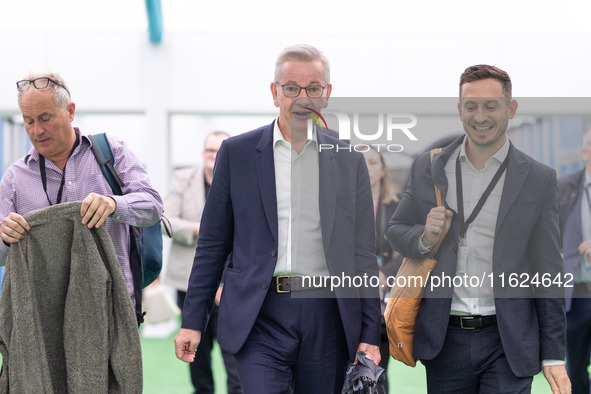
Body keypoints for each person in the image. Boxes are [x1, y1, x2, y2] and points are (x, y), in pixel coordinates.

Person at [174, 44, 381, 393]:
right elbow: (212, 243)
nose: (302, 98)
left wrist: (370, 334)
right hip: (260, 315)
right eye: (291, 88)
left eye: (313, 88)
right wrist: (193, 321)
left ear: (326, 95)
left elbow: (363, 254)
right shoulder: (236, 154)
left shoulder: (348, 159)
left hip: (327, 315)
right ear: (275, 93)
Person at [386, 64, 571, 393]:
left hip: (508, 339)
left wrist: (554, 353)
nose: (480, 115)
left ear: (510, 109)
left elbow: (548, 269)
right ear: (460, 110)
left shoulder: (538, 179)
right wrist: (425, 238)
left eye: (491, 106)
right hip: (445, 338)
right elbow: (396, 230)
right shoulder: (429, 166)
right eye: (471, 106)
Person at [0, 72, 163, 308]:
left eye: (45, 118)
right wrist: (5, 237)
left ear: (70, 111)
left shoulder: (112, 152)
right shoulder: (15, 177)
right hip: (45, 315)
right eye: (29, 120)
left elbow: (153, 206)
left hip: (112, 307)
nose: (37, 130)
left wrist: (114, 204)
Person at [163, 130, 241, 394]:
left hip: (232, 286)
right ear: (203, 153)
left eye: (220, 151)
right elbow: (167, 221)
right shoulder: (184, 180)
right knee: (197, 355)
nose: (214, 156)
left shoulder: (242, 181)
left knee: (235, 358)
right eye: (210, 150)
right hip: (190, 284)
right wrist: (203, 230)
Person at [363, 146, 402, 394]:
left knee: (378, 366)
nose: (367, 168)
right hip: (351, 291)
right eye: (361, 162)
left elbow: (410, 250)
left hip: (385, 296)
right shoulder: (339, 206)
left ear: (383, 169)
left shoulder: (398, 206)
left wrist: (385, 271)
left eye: (372, 162)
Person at [558, 128, 591, 394]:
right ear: (584, 152)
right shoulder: (563, 188)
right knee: (575, 369)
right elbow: (546, 233)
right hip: (577, 295)